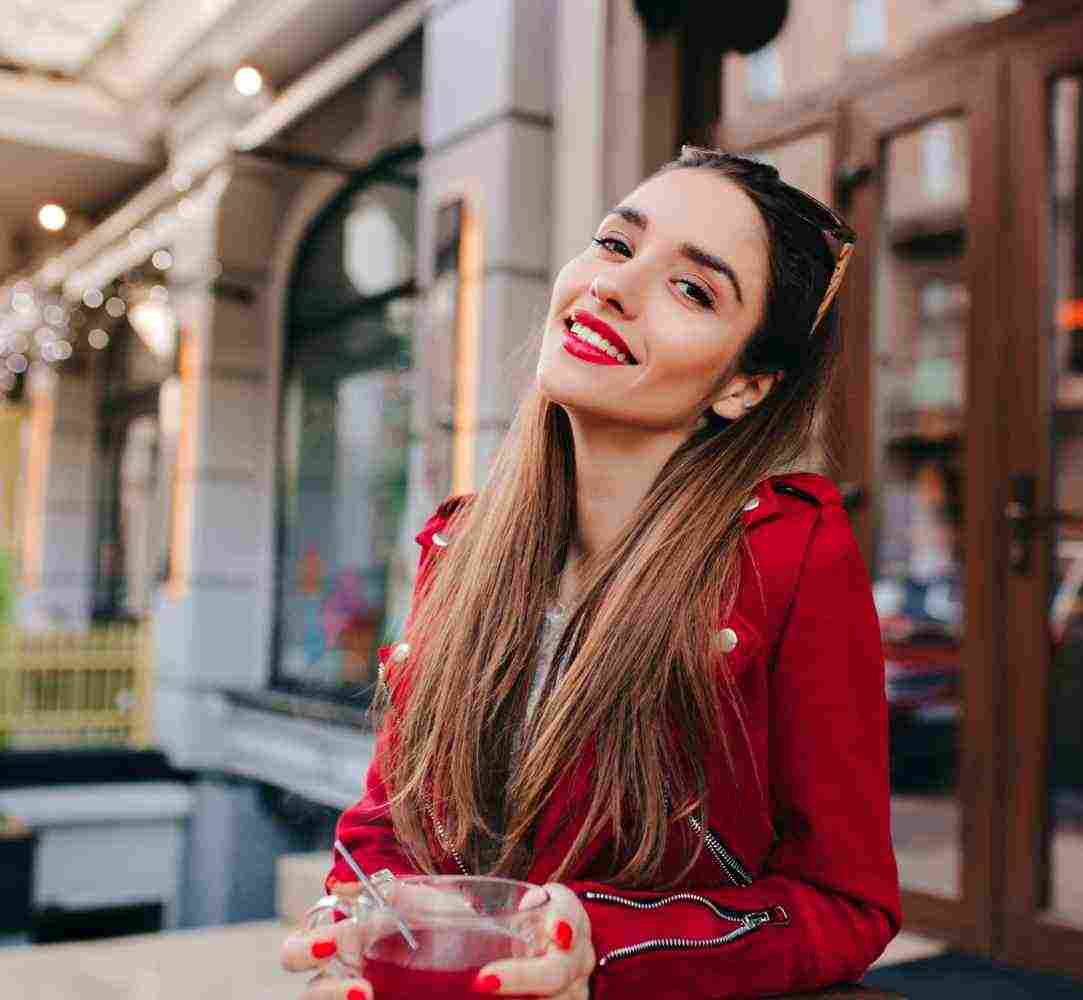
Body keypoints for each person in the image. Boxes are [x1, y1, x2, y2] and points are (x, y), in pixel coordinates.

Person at [282, 146, 900, 999]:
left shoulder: (790, 557)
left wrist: (599, 945)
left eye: (693, 289)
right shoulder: (457, 547)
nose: (613, 286)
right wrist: (353, 915)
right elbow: (388, 825)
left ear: (747, 386)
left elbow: (844, 904)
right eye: (617, 245)